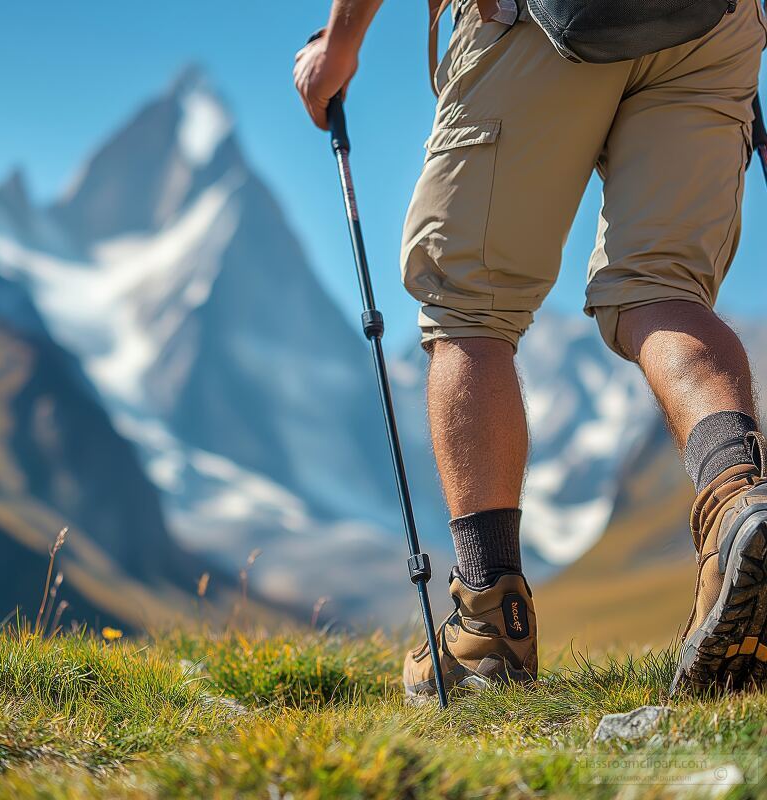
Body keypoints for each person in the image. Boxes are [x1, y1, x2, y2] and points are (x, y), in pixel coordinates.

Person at [294, 0, 767, 698]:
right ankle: (736, 509)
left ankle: (490, 625)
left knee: (470, 305)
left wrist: (339, 44)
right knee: (662, 289)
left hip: (536, 19)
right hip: (711, 23)